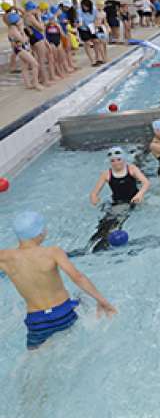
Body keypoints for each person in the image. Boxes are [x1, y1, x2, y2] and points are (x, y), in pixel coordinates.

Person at [0, 211, 117, 350]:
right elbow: (78, 277)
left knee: (34, 353)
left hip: (36, 320)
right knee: (83, 300)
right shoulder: (52, 252)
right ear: (40, 233)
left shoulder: (4, 256)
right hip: (63, 313)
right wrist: (103, 301)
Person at [88, 146, 150, 251]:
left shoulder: (131, 169)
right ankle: (96, 240)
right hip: (118, 202)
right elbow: (94, 192)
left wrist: (140, 194)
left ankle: (106, 241)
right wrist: (94, 198)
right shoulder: (106, 174)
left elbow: (146, 183)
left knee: (116, 222)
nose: (116, 163)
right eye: (113, 161)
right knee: (105, 222)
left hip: (134, 200)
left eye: (118, 159)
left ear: (124, 159)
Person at [5, 11, 42, 90]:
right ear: (16, 21)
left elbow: (25, 40)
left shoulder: (15, 28)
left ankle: (28, 85)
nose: (21, 20)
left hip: (22, 48)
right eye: (20, 19)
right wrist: (22, 31)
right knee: (35, 64)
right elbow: (24, 40)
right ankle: (36, 84)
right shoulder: (14, 30)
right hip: (21, 49)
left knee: (24, 67)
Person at [23, 1, 54, 86]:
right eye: (35, 8)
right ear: (32, 8)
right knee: (41, 61)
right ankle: (45, 81)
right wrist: (40, 17)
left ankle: (39, 78)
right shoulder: (30, 16)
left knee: (37, 59)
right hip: (38, 39)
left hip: (32, 39)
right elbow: (41, 28)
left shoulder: (25, 16)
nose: (37, 10)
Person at [77, 0, 101, 66]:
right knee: (87, 43)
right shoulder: (79, 11)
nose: (85, 8)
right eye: (83, 6)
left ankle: (97, 58)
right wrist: (82, 24)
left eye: (86, 6)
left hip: (92, 27)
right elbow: (80, 21)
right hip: (83, 28)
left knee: (96, 41)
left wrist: (96, 26)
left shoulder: (94, 10)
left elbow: (96, 19)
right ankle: (92, 61)